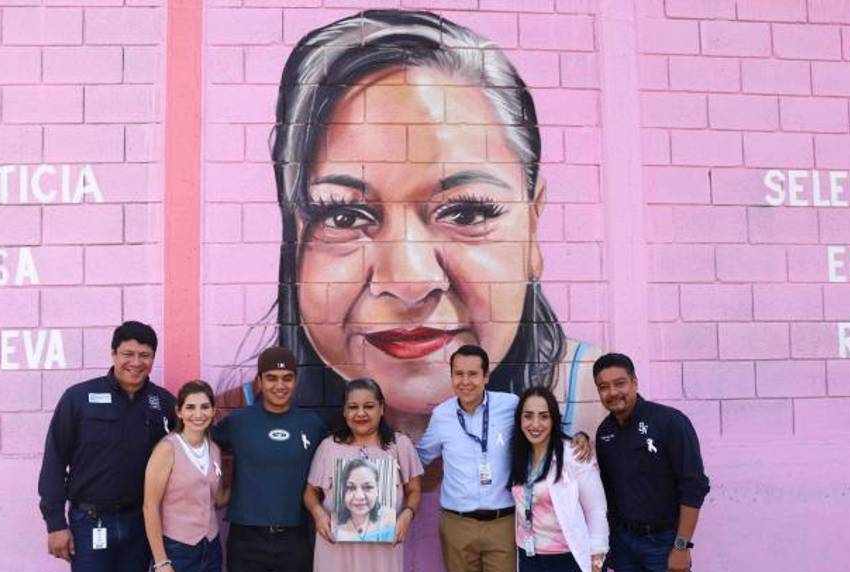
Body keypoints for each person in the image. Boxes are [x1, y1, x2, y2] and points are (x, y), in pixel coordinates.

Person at [223, 8, 603, 442]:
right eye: (343, 215)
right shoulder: (225, 428)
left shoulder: (601, 405)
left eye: (466, 213)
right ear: (294, 234)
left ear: (533, 227)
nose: (408, 282)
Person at [37, 321, 175, 572]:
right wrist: (55, 523)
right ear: (113, 354)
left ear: (153, 358)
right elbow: (54, 461)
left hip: (138, 525)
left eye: (145, 355)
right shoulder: (79, 398)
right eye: (128, 353)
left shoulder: (163, 404)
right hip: (89, 524)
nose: (136, 362)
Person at [592, 353, 710, 572]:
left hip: (666, 545)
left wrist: (682, 546)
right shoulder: (604, 433)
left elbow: (694, 487)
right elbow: (607, 493)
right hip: (625, 546)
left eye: (619, 383)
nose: (613, 392)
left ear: (634, 382)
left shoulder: (670, 422)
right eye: (604, 387)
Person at [213, 347, 328, 572]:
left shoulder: (312, 425)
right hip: (245, 539)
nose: (280, 385)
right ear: (260, 381)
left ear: (296, 380)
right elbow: (197, 443)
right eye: (272, 378)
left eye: (287, 378)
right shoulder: (237, 424)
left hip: (294, 540)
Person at [304, 378, 423, 572]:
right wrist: (319, 515)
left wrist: (407, 515)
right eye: (353, 407)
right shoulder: (329, 446)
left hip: (381, 548)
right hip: (336, 548)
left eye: (368, 406)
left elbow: (415, 490)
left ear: (381, 408)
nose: (361, 413)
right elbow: (310, 492)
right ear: (344, 411)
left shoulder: (398, 445)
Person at [415, 345, 521, 572]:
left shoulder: (510, 406)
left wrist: (575, 439)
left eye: (472, 374)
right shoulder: (443, 415)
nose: (465, 381)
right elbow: (421, 457)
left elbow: (542, 429)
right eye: (458, 374)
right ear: (451, 377)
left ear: (486, 376)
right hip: (457, 525)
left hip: (503, 524)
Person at [509, 386, 609, 572]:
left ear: (553, 419)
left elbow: (596, 511)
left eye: (543, 416)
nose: (535, 423)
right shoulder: (519, 457)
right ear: (519, 420)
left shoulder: (574, 455)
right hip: (532, 562)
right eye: (528, 416)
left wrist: (595, 568)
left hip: (569, 563)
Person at [143, 380, 230, 572]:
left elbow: (218, 499)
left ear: (214, 411)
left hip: (210, 549)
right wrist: (161, 561)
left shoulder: (214, 450)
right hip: (176, 551)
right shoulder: (167, 449)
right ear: (179, 412)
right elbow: (150, 507)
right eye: (190, 407)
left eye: (205, 407)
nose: (198, 413)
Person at [333, 458, 398, 542]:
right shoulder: (333, 524)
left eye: (368, 487)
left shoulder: (389, 519)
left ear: (377, 490)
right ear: (343, 491)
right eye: (351, 487)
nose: (359, 496)